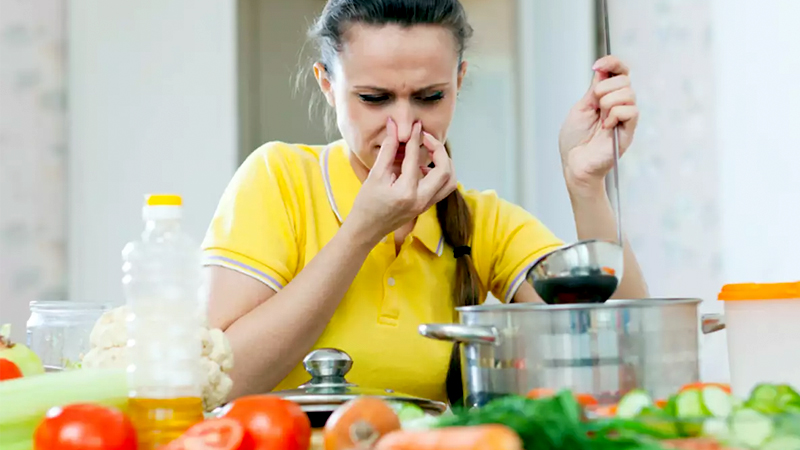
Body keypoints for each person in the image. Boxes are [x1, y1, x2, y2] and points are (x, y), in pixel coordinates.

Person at [201, 0, 649, 405]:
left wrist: (586, 184)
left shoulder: (482, 221)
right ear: (326, 85)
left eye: (430, 97)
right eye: (374, 99)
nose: (404, 126)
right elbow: (218, 384)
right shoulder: (279, 179)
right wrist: (362, 231)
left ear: (459, 81)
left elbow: (621, 354)